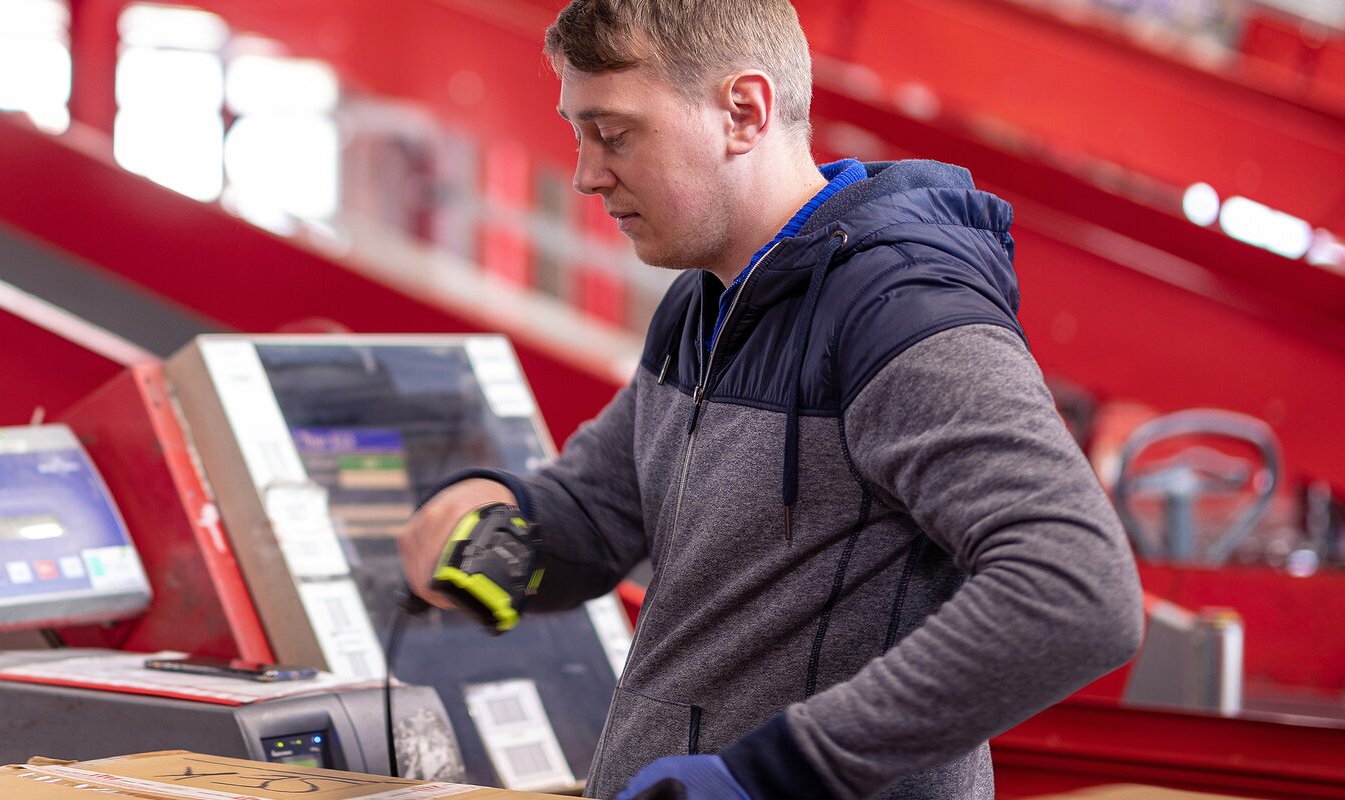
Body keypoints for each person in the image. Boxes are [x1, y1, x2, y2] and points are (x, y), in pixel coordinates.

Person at [397, 1, 1145, 798]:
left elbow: (1078, 588)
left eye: (614, 133)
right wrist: (499, 517)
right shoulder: (705, 299)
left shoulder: (898, 308)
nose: (586, 173)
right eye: (578, 133)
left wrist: (781, 773)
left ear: (743, 111)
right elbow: (601, 507)